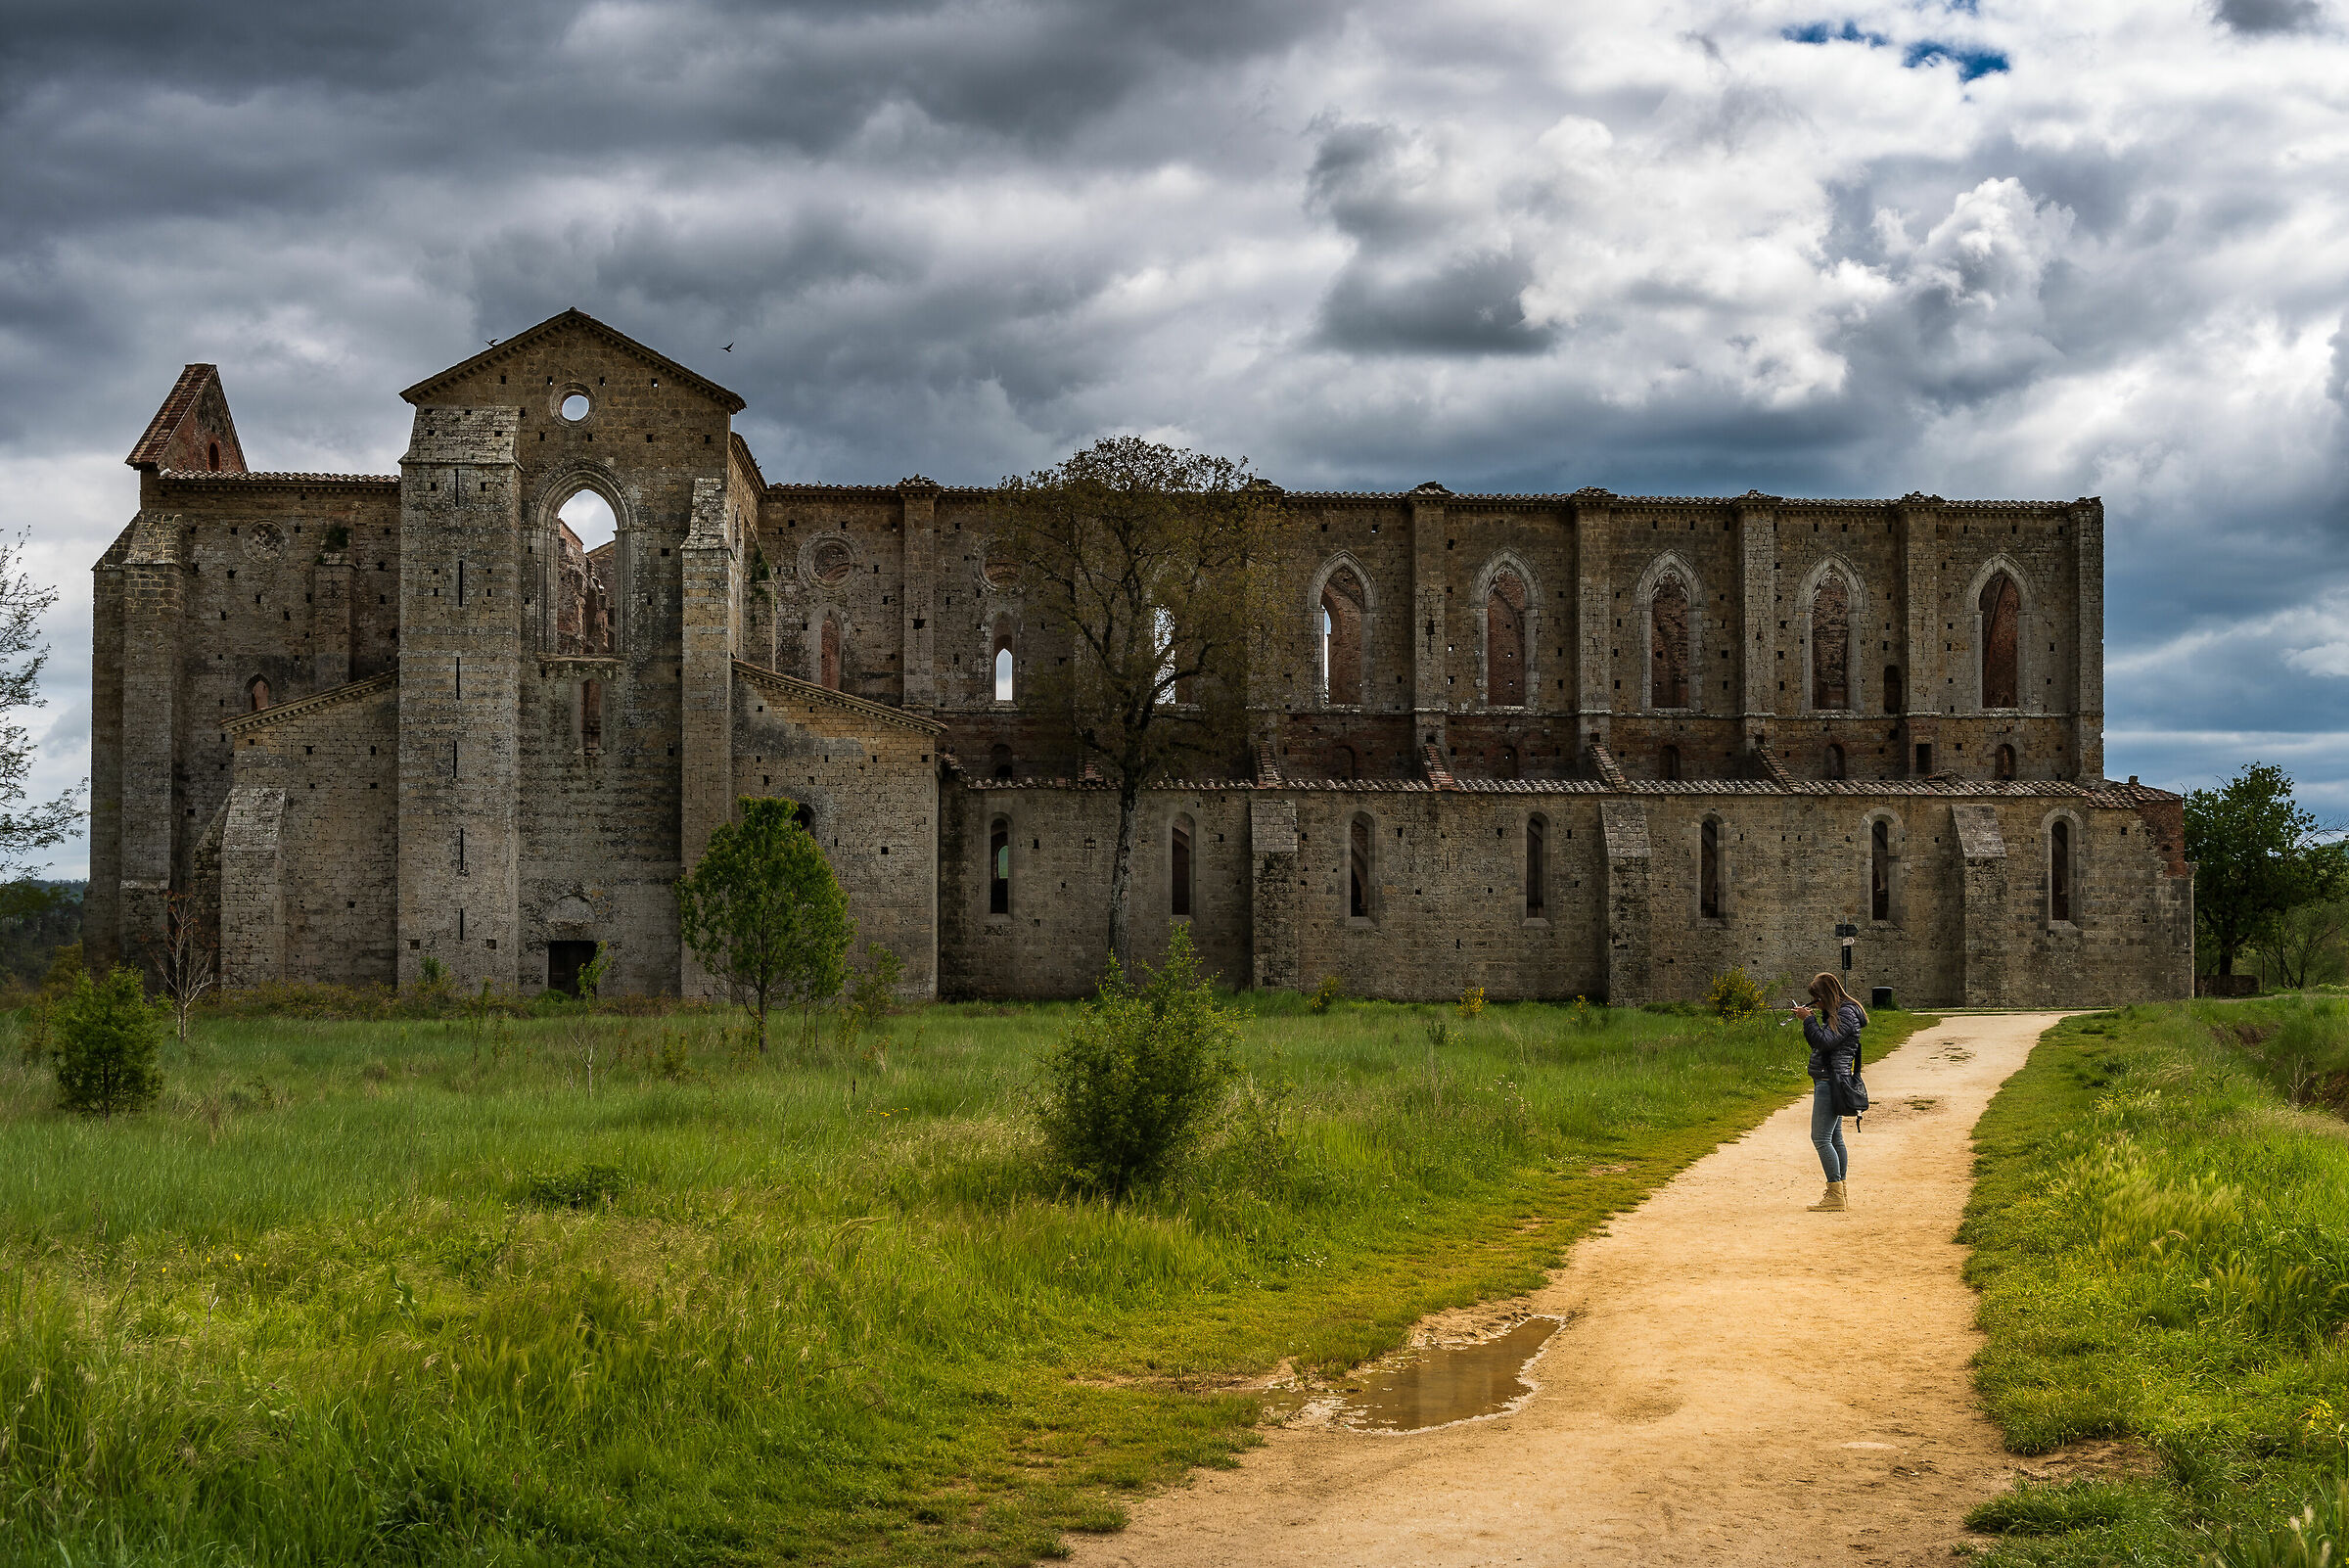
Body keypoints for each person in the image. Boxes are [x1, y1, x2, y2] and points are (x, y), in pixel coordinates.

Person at [1792, 971, 1866, 1212]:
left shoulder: (1845, 1014)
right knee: (1835, 1138)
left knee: (1820, 1137)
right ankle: (1840, 1191)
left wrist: (1809, 1021)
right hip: (1830, 1077)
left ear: (1827, 995)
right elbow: (1826, 1041)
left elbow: (1824, 1042)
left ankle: (1835, 1192)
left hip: (1830, 1079)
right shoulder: (1843, 1012)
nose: (1817, 1003)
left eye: (1818, 999)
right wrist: (1818, 1016)